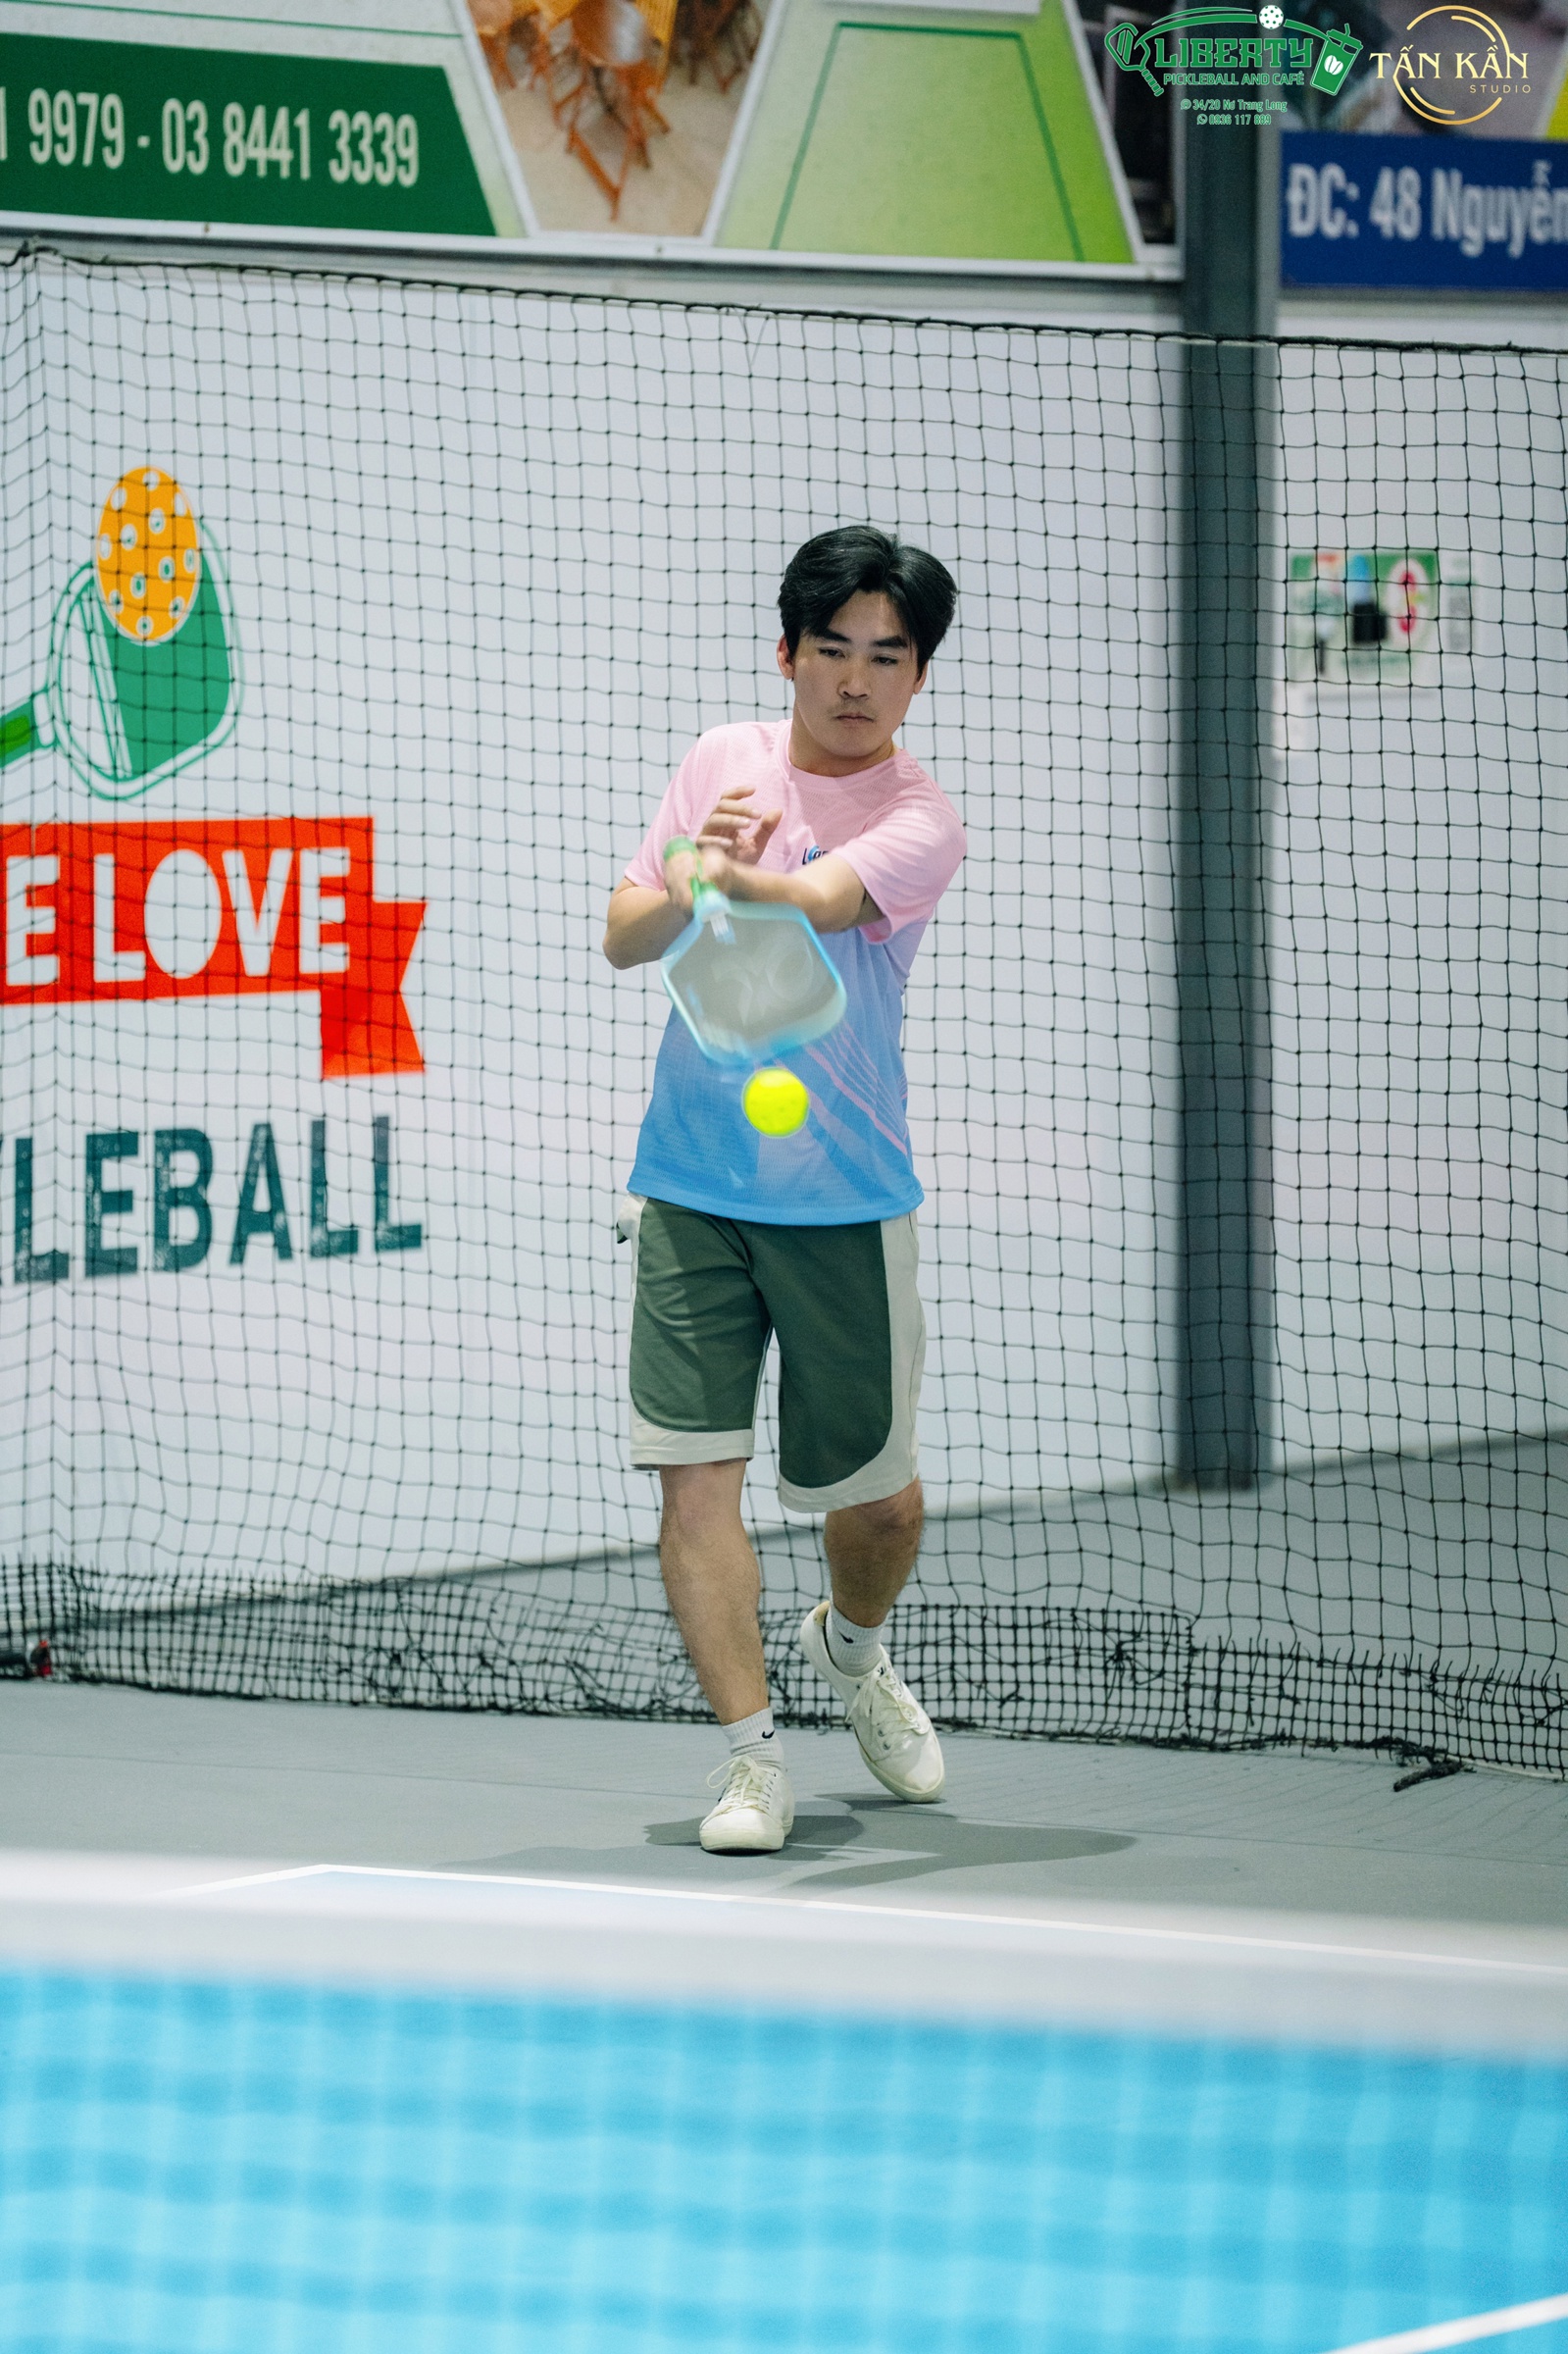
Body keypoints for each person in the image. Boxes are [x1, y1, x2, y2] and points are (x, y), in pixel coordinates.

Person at [603, 525, 965, 1855]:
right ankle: (752, 1762)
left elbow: (815, 900)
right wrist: (684, 871)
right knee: (694, 1481)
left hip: (844, 1197)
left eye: (889, 657)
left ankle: (853, 1648)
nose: (858, 680)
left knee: (878, 1505)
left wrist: (728, 874)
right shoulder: (722, 758)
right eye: (834, 649)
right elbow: (625, 935)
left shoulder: (922, 819)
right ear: (788, 653)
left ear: (918, 675)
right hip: (690, 1183)